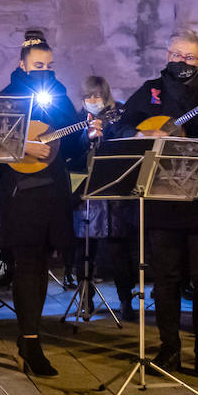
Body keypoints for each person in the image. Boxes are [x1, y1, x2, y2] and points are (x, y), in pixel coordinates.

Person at [113, 29, 198, 384]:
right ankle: (169, 348)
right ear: (167, 54)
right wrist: (140, 136)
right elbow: (121, 128)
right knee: (165, 278)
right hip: (163, 196)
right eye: (177, 55)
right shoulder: (150, 91)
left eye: (190, 58)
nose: (182, 63)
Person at [0, 33, 91, 377]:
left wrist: (86, 135)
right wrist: (21, 147)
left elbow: (73, 151)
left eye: (50, 66)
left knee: (43, 263)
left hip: (53, 192)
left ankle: (31, 334)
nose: (45, 71)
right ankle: (30, 341)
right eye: (38, 66)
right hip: (21, 193)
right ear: (22, 65)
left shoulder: (60, 98)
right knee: (27, 264)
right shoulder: (5, 98)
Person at [72, 76, 138, 321]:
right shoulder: (79, 119)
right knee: (84, 250)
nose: (92, 101)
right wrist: (86, 137)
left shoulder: (117, 116)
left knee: (119, 249)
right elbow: (72, 151)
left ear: (106, 96)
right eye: (88, 97)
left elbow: (126, 138)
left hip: (113, 194)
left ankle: (125, 300)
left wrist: (106, 134)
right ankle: (85, 298)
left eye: (97, 96)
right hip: (86, 194)